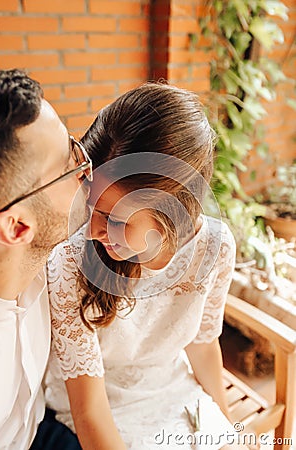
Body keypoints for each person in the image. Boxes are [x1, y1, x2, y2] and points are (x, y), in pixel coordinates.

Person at [45, 83, 242, 449]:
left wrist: (229, 430)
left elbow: (202, 344)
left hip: (172, 390)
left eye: (116, 219)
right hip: (96, 408)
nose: (91, 231)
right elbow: (89, 410)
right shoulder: (70, 262)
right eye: (90, 206)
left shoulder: (215, 247)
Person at [0, 68, 93, 449]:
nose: (88, 171)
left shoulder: (52, 261)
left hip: (40, 430)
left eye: (74, 146)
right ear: (17, 228)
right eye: (69, 168)